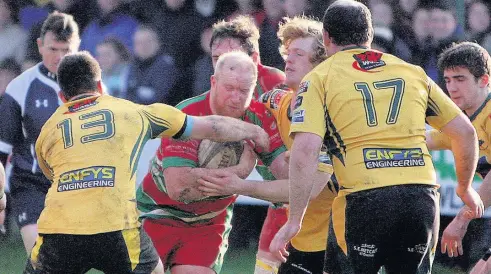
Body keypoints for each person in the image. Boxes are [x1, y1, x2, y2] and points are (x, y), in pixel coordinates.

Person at [270, 1, 484, 273]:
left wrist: (294, 220)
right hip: (421, 197)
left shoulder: (319, 78)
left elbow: (305, 152)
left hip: (364, 198)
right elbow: (464, 132)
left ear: (326, 38)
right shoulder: (411, 71)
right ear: (369, 35)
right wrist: (465, 188)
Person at [25, 51, 271, 274]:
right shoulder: (135, 112)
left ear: (61, 95)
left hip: (59, 230)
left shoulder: (47, 130)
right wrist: (253, 131)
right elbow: (213, 127)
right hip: (115, 226)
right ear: (102, 85)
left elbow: (52, 175)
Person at [198, 15, 335, 274]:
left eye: (231, 56)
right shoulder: (273, 98)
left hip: (324, 215)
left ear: (254, 58)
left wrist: (241, 182)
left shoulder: (283, 87)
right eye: (216, 59)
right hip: (283, 205)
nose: (225, 64)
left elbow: (305, 183)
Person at [136, 51, 289, 274]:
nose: (236, 98)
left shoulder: (259, 117)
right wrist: (241, 170)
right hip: (157, 212)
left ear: (254, 88)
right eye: (230, 89)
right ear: (213, 82)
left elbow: (292, 188)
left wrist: (301, 157)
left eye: (244, 91)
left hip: (208, 222)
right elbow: (180, 188)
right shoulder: (188, 114)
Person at [0, 11, 80, 255]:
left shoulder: (94, 85)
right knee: (40, 257)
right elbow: (2, 151)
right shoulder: (20, 88)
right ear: (39, 46)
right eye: (52, 49)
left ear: (76, 46)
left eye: (65, 50)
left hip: (79, 182)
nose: (58, 57)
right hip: (31, 183)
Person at [426, 42, 491, 274]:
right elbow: (427, 139)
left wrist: (461, 220)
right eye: (448, 80)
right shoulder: (464, 123)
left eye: (460, 79)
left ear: (484, 80)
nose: (452, 88)